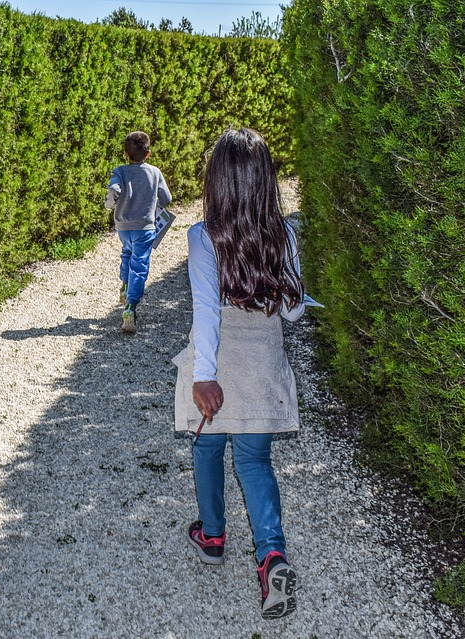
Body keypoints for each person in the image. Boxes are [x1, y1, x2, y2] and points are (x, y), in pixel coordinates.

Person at [172, 128, 305, 620]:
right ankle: (271, 556)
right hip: (263, 365)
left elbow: (205, 310)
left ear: (218, 182)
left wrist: (204, 376)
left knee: (206, 447)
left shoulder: (203, 236)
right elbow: (291, 313)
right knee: (254, 463)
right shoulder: (285, 233)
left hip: (217, 367)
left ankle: (212, 536)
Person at [104, 131, 172, 333]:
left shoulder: (120, 171)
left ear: (125, 153)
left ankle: (125, 286)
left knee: (127, 252)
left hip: (123, 227)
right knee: (140, 264)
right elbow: (166, 198)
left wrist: (110, 205)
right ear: (148, 153)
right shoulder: (155, 172)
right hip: (145, 227)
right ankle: (130, 307)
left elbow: (114, 191)